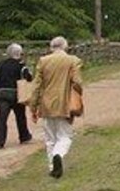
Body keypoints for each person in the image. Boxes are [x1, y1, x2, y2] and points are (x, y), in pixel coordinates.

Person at [30, 36, 83, 178]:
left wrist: (33, 107)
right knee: (65, 136)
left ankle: (53, 167)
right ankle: (58, 154)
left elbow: (36, 86)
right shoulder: (73, 60)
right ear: (65, 46)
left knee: (50, 139)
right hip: (65, 104)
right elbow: (77, 82)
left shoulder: (43, 61)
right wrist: (78, 97)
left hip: (46, 105)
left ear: (51, 47)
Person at [0, 43, 34, 149]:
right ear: (19, 53)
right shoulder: (21, 65)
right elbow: (28, 78)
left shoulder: (2, 64)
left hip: (2, 93)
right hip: (16, 93)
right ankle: (24, 136)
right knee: (20, 115)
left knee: (2, 117)